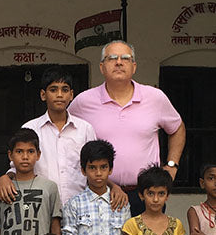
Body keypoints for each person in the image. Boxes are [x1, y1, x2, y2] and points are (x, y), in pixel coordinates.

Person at [68, 42, 186, 216]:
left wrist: (171, 166)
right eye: (112, 58)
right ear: (102, 67)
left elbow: (177, 128)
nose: (119, 62)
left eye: (125, 58)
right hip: (102, 193)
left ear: (134, 66)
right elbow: (66, 132)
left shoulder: (155, 97)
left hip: (146, 194)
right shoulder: (83, 101)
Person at [0, 67, 125, 208]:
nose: (59, 95)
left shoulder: (84, 129)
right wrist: (4, 178)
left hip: (79, 208)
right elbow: (18, 167)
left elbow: (95, 165)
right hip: (41, 208)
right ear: (43, 95)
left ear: (71, 95)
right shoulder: (31, 129)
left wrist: (113, 186)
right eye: (53, 90)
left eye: (64, 90)